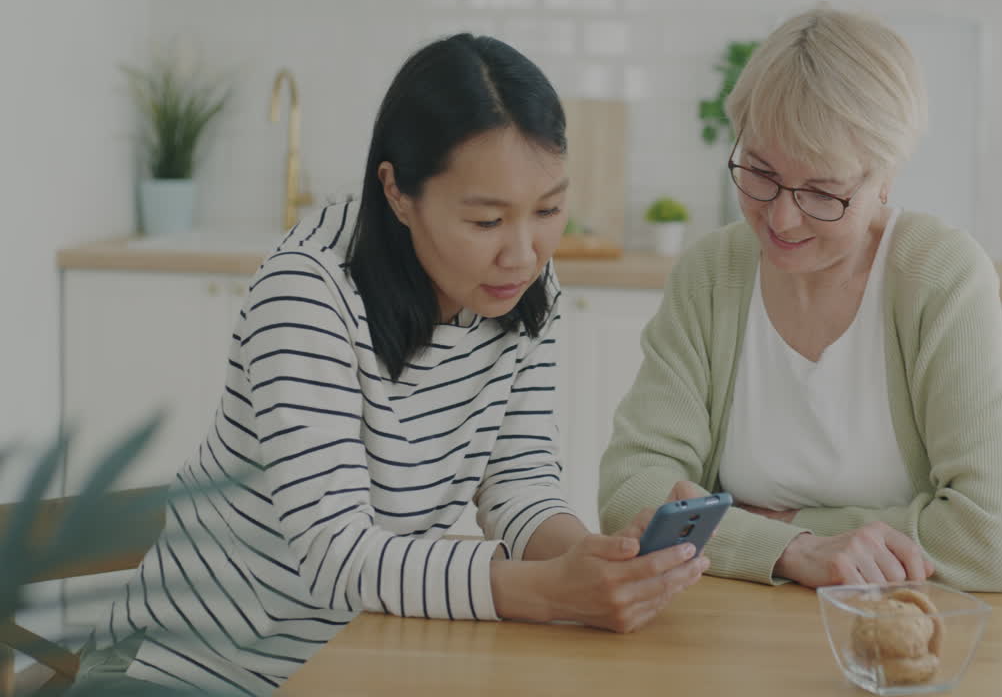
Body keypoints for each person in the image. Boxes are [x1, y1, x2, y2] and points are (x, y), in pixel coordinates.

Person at [73, 34, 707, 696]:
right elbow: (337, 553)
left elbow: (518, 483)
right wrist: (549, 594)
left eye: (548, 210)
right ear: (398, 193)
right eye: (487, 220)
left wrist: (593, 560)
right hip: (186, 671)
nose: (523, 253)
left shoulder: (524, 288)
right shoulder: (308, 293)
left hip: (347, 663)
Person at [598, 7, 1002, 593]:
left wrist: (773, 527)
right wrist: (794, 550)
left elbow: (997, 540)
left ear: (884, 177)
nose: (781, 217)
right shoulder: (711, 273)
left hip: (894, 627)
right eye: (759, 171)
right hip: (725, 630)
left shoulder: (940, 277)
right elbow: (630, 493)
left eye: (822, 191)